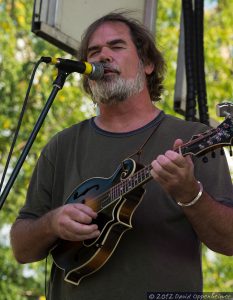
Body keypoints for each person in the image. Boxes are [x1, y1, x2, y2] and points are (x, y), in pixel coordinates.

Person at [10, 11, 233, 300]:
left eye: (116, 47)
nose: (102, 56)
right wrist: (52, 224)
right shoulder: (62, 145)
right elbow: (21, 248)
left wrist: (190, 194)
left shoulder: (195, 137)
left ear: (148, 64)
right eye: (93, 52)